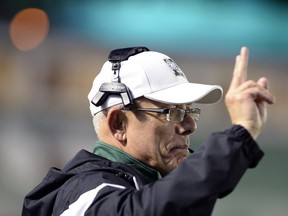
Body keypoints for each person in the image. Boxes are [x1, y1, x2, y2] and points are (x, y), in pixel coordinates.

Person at [22, 46, 275, 216]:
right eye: (172, 112)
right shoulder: (83, 195)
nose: (190, 125)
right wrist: (240, 134)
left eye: (190, 111)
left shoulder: (138, 187)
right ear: (118, 124)